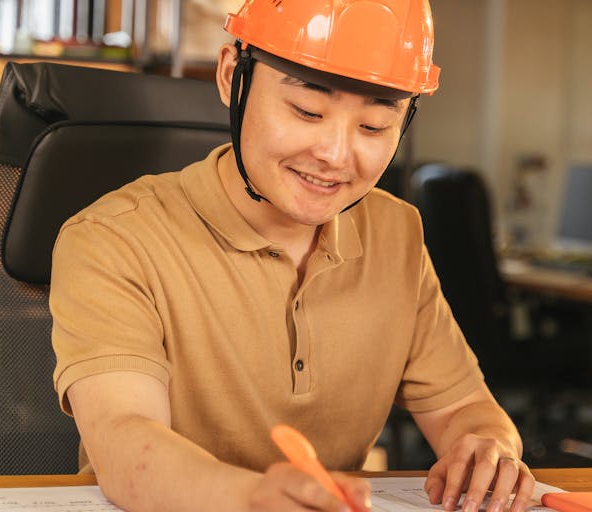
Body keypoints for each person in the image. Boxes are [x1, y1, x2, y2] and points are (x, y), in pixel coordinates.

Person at [49, 1, 535, 511]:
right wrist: (252, 499)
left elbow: (465, 408)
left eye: (372, 126)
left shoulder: (396, 232)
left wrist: (487, 448)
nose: (336, 155)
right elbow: (125, 443)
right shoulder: (114, 237)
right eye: (307, 112)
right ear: (231, 76)